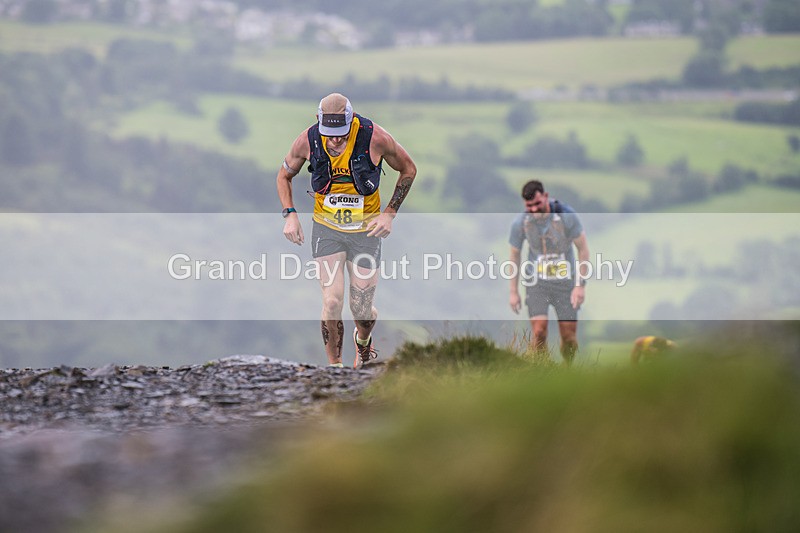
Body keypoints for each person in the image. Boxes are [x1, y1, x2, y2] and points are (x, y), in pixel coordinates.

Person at [277, 93, 417, 368]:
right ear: (319, 123)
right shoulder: (307, 140)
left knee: (362, 311)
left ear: (351, 121)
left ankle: (363, 342)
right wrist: (290, 215)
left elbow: (409, 169)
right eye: (330, 134)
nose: (336, 140)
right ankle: (335, 368)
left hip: (366, 231)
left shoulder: (375, 137)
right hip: (327, 228)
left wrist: (389, 214)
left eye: (341, 133)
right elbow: (284, 175)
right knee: (331, 302)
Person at [508, 180, 590, 364]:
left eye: (538, 204)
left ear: (546, 196)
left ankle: (567, 371)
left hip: (565, 283)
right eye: (530, 206)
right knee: (539, 332)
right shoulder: (521, 223)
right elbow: (514, 256)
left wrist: (580, 286)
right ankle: (540, 371)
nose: (535, 209)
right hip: (537, 283)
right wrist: (513, 291)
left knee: (569, 337)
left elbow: (583, 250)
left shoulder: (566, 216)